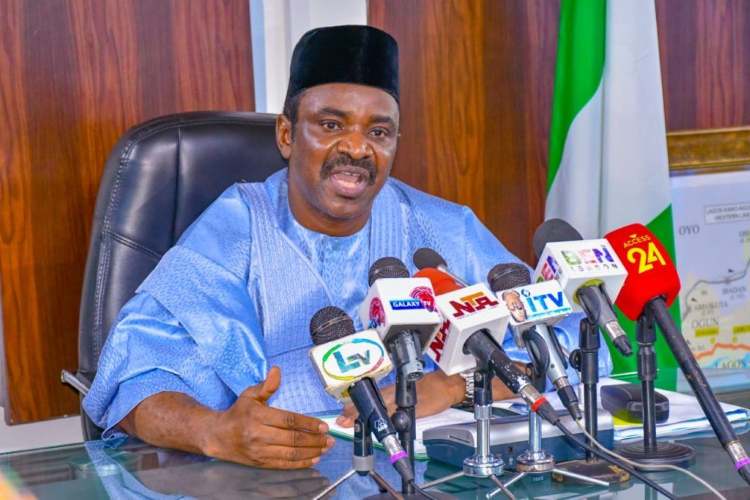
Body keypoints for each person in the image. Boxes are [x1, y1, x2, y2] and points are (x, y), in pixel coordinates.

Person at [83, 25, 612, 470]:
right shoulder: (236, 227)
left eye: (379, 132)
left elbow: (570, 346)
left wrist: (455, 386)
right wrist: (215, 433)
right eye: (331, 125)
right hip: (276, 479)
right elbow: (133, 379)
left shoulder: (442, 230)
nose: (357, 148)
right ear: (287, 135)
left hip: (427, 474)